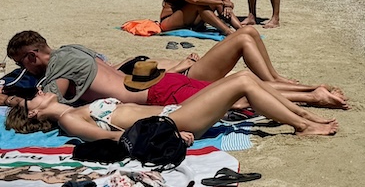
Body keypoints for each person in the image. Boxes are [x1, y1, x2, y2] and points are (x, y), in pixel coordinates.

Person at [5, 29, 348, 110]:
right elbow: (114, 67)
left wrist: (8, 100)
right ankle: (302, 89)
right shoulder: (74, 50)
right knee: (239, 77)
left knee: (240, 90)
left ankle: (305, 92)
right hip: (163, 79)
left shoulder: (57, 70)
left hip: (160, 88)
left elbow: (51, 105)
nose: (25, 70)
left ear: (33, 56)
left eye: (23, 63)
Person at [6, 69, 338, 139]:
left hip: (175, 113)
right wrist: (169, 137)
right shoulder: (70, 122)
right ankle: (304, 125)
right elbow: (119, 139)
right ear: (33, 111)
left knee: (240, 79)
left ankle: (303, 115)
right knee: (242, 83)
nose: (41, 90)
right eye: (35, 96)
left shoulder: (74, 112)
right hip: (175, 122)